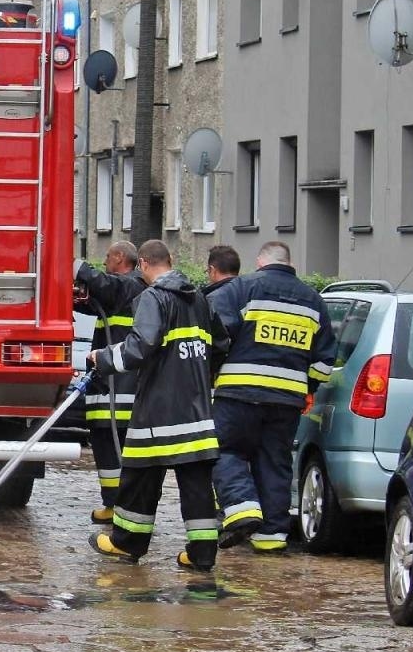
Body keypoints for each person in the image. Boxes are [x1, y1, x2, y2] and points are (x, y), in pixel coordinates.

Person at [86, 240, 226, 570]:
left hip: (159, 410)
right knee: (196, 483)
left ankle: (126, 543)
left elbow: (139, 347)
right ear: (172, 260)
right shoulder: (200, 299)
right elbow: (220, 343)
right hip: (197, 409)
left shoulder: (154, 297)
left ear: (145, 264)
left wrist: (102, 357)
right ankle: (202, 554)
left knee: (139, 476)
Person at [207, 241, 335, 551]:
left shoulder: (243, 288)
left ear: (260, 263)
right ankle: (272, 535)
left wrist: (210, 373)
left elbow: (216, 333)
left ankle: (243, 508)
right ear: (289, 264)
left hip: (238, 394)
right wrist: (308, 389)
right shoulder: (314, 301)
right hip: (286, 401)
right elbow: (323, 361)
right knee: (274, 461)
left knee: (223, 450)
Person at [73, 241, 146, 524]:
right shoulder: (120, 293)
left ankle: (119, 507)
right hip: (111, 391)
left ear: (119, 258)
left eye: (107, 257)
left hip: (120, 394)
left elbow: (103, 284)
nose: (105, 262)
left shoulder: (131, 286)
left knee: (115, 452)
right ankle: (113, 504)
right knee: (106, 450)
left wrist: (74, 265)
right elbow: (95, 300)